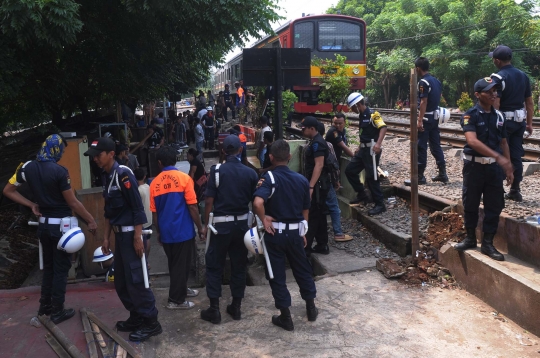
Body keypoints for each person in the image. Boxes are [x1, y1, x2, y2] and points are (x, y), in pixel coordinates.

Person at [3, 134, 98, 324]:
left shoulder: (26, 168)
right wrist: (90, 220)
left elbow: (8, 190)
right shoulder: (60, 171)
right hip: (61, 229)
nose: (62, 153)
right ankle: (57, 311)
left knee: (48, 269)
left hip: (44, 227)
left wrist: (31, 204)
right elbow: (72, 202)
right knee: (61, 270)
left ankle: (44, 308)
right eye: (61, 150)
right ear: (56, 150)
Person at [85, 137, 161, 342]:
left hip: (131, 235)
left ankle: (151, 322)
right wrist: (106, 238)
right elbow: (109, 211)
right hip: (120, 236)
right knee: (121, 281)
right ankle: (136, 315)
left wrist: (138, 236)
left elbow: (137, 208)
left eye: (98, 155)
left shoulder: (123, 175)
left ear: (111, 154)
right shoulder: (106, 176)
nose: (95, 160)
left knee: (137, 280)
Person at [253, 139, 318, 331]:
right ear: (289, 157)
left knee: (277, 275)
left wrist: (264, 219)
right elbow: (306, 209)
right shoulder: (301, 180)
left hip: (276, 235)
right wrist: (303, 230)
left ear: (271, 157)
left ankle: (286, 317)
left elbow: (257, 203)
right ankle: (311, 308)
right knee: (302, 270)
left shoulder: (269, 178)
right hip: (296, 233)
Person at [200, 135, 259, 324]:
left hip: (219, 226)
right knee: (239, 266)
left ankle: (214, 309)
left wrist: (204, 225)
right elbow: (255, 202)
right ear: (241, 150)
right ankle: (236, 307)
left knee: (214, 265)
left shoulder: (216, 171)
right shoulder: (251, 173)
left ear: (223, 151)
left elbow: (209, 201)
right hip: (242, 226)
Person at [454, 78, 514, 261]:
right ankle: (471, 238)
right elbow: (472, 141)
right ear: (478, 95)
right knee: (470, 202)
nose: (493, 94)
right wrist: (499, 158)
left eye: (494, 90)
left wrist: (508, 167)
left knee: (494, 205)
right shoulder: (470, 115)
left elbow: (504, 142)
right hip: (474, 167)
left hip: (494, 169)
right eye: (488, 91)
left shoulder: (499, 116)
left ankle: (488, 243)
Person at [150, 146, 204, 309]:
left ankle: (181, 289)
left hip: (166, 231)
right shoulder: (184, 179)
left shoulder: (154, 183)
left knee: (176, 264)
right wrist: (200, 227)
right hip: (183, 231)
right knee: (182, 264)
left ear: (160, 163)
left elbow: (155, 213)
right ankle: (175, 300)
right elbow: (193, 207)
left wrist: (158, 231)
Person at [489, 45, 534, 202]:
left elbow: (496, 103)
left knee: (498, 153)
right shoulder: (523, 76)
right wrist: (529, 124)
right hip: (519, 121)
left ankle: (497, 190)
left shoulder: (497, 78)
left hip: (504, 123)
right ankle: (515, 189)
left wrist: (492, 123)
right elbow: (529, 102)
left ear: (497, 61)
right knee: (516, 155)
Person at [404, 57, 447, 186]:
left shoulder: (423, 82)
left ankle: (419, 176)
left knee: (421, 146)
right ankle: (443, 173)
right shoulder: (436, 81)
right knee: (436, 145)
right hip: (435, 117)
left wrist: (419, 120)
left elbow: (423, 102)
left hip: (427, 118)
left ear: (417, 69)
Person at [344, 93, 388, 216]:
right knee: (350, 171)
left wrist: (378, 144)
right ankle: (362, 195)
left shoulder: (373, 114)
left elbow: (383, 128)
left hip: (371, 150)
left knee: (372, 177)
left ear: (358, 105)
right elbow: (365, 134)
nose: (352, 110)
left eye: (353, 107)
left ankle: (380, 204)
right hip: (363, 150)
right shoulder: (362, 116)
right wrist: (359, 147)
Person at [301, 116, 330, 255]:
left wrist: (311, 186)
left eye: (304, 128)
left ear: (312, 128)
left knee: (312, 214)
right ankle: (322, 244)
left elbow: (319, 165)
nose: (302, 130)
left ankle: (306, 247)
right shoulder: (315, 141)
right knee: (320, 214)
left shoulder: (318, 143)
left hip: (318, 185)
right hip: (319, 184)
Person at [325, 113, 355, 241]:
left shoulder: (343, 131)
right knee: (333, 204)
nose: (337, 125)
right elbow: (343, 146)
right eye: (335, 123)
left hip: (332, 169)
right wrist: (355, 157)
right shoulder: (333, 132)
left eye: (340, 123)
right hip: (329, 171)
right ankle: (338, 233)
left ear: (344, 123)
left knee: (330, 201)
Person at [134, 168, 152, 262]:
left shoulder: (137, 191)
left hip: (142, 219)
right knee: (147, 239)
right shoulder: (148, 187)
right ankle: (146, 260)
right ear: (144, 177)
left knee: (142, 240)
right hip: (149, 217)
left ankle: (143, 260)